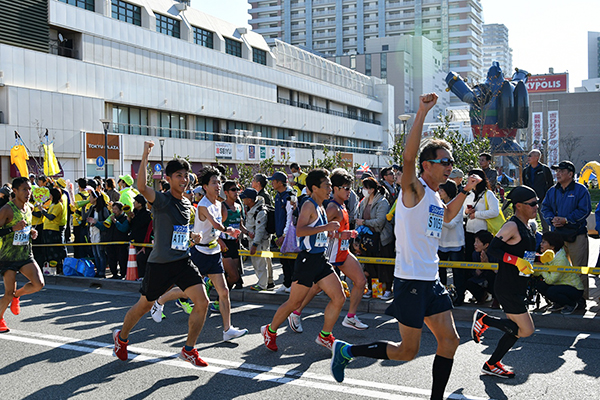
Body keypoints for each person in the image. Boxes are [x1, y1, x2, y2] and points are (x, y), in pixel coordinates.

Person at [330, 94, 481, 400]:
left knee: (449, 342)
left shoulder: (436, 196)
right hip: (411, 279)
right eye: (445, 162)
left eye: (452, 162)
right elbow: (408, 158)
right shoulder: (413, 189)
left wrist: (465, 191)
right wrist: (422, 113)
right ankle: (346, 351)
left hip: (431, 280)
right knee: (407, 351)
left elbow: (449, 215)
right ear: (428, 165)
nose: (451, 166)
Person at [113, 141, 213, 367]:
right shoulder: (161, 199)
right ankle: (121, 338)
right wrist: (145, 154)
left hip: (182, 261)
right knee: (144, 306)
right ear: (168, 178)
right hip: (160, 264)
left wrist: (191, 238)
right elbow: (141, 186)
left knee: (203, 301)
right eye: (178, 175)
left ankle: (189, 349)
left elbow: (178, 232)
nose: (184, 179)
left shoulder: (187, 203)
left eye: (186, 175)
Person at [261, 168, 346, 352]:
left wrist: (327, 231)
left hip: (320, 259)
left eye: (330, 185)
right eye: (326, 186)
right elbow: (300, 231)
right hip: (307, 260)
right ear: (314, 187)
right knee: (294, 303)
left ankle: (325, 336)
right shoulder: (309, 205)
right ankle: (270, 330)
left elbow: (316, 230)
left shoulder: (322, 205)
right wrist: (325, 226)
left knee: (339, 297)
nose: (330, 188)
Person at [471, 186, 541, 378]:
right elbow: (493, 250)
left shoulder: (528, 226)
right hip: (507, 286)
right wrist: (516, 261)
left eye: (537, 202)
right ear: (519, 206)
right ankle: (484, 319)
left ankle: (492, 364)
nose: (536, 206)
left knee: (514, 330)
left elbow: (523, 254)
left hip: (519, 285)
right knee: (526, 330)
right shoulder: (512, 226)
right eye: (532, 203)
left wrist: (541, 257)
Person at [288, 168, 368, 333]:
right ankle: (296, 312)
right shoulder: (331, 207)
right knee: (316, 288)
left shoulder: (342, 205)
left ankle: (350, 317)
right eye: (345, 188)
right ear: (336, 188)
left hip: (343, 252)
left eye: (350, 187)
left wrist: (347, 235)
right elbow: (321, 231)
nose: (349, 191)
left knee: (360, 281)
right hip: (329, 253)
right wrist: (340, 234)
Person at [174, 166, 247, 341]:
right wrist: (229, 230)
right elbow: (216, 225)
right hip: (199, 252)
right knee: (186, 290)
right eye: (214, 182)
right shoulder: (203, 205)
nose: (217, 185)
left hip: (213, 252)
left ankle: (227, 329)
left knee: (223, 291)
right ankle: (160, 301)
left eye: (219, 182)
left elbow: (218, 224)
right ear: (205, 186)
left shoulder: (219, 203)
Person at [541, 160, 592, 298]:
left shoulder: (581, 190)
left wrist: (566, 219)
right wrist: (552, 219)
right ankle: (562, 299)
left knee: (579, 270)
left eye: (561, 171)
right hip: (558, 237)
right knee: (558, 269)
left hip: (577, 235)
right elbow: (545, 208)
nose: (558, 174)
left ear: (570, 174)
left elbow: (585, 210)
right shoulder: (552, 191)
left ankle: (581, 300)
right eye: (557, 171)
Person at [0, 177, 45, 333]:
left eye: (29, 189)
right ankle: (0, 319)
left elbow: (25, 228)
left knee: (39, 284)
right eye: (24, 189)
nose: (28, 193)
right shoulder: (7, 209)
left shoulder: (29, 208)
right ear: (15, 191)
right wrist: (13, 229)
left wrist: (31, 232)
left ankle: (17, 296)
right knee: (7, 294)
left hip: (26, 254)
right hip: (8, 257)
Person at [357, 177, 393, 300]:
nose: (363, 190)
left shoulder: (382, 202)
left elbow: (380, 222)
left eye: (366, 188)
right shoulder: (363, 202)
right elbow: (359, 218)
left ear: (372, 189)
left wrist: (364, 222)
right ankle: (372, 289)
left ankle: (387, 289)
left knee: (384, 265)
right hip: (368, 238)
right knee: (369, 265)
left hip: (382, 239)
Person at [533, 231, 584, 314]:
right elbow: (539, 273)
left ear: (552, 246)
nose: (540, 244)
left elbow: (551, 280)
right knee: (539, 285)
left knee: (551, 291)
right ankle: (559, 303)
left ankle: (572, 304)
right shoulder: (547, 255)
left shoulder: (560, 260)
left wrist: (541, 268)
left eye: (543, 242)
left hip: (574, 288)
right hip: (560, 285)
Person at [269, 171, 295, 293]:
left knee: (291, 260)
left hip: (288, 234)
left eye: (274, 181)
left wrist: (284, 235)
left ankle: (292, 284)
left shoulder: (290, 195)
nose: (272, 183)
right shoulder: (278, 195)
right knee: (283, 260)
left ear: (280, 183)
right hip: (280, 233)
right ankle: (286, 283)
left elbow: (290, 217)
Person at [437, 180, 465, 287]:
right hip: (441, 243)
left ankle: (459, 295)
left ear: (448, 191)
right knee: (440, 272)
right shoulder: (438, 204)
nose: (439, 192)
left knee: (458, 273)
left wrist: (438, 218)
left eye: (442, 190)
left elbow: (451, 224)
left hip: (455, 243)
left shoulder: (457, 205)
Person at [250, 173, 274, 288]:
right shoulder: (261, 194)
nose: (252, 182)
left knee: (265, 257)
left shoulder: (263, 197)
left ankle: (268, 280)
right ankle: (268, 280)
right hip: (264, 232)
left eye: (254, 180)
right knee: (265, 256)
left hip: (264, 232)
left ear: (258, 183)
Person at [522, 149, 554, 232]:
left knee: (545, 221)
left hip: (543, 200)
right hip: (530, 200)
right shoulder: (526, 171)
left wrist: (548, 198)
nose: (528, 158)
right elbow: (525, 186)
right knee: (529, 221)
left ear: (537, 157)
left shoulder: (544, 169)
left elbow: (550, 185)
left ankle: (547, 239)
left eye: (530, 156)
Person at [219, 181, 243, 289]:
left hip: (235, 243)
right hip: (224, 243)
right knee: (233, 276)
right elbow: (214, 227)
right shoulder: (222, 206)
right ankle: (219, 299)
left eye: (237, 189)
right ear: (226, 192)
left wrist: (249, 233)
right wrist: (219, 241)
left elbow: (240, 225)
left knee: (234, 277)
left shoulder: (238, 206)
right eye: (233, 190)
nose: (236, 192)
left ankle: (220, 301)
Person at [38, 188, 67, 274]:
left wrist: (42, 211)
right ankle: (49, 268)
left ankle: (57, 268)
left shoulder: (59, 205)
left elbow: (51, 217)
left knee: (54, 250)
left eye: (50, 194)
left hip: (53, 230)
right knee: (47, 250)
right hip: (46, 229)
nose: (49, 196)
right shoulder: (52, 204)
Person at [466, 230, 497, 305]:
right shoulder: (475, 254)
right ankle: (482, 296)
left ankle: (496, 299)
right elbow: (476, 273)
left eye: (477, 242)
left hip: (494, 280)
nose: (475, 244)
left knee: (492, 276)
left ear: (486, 245)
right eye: (475, 242)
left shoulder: (495, 253)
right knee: (468, 281)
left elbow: (497, 272)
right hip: (481, 279)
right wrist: (481, 266)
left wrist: (487, 263)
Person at [83, 190, 110, 278]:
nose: (89, 198)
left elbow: (107, 223)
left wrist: (96, 222)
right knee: (95, 254)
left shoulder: (103, 209)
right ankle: (98, 271)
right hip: (92, 234)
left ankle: (102, 272)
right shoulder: (91, 208)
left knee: (100, 254)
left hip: (100, 235)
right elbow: (84, 217)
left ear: (95, 198)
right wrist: (83, 208)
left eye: (91, 196)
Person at [127, 194, 152, 279]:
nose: (134, 203)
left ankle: (143, 276)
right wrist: (130, 220)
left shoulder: (147, 214)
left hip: (144, 240)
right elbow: (133, 226)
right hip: (135, 239)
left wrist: (134, 218)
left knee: (142, 258)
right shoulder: (135, 212)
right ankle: (135, 275)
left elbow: (141, 225)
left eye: (135, 202)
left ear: (140, 204)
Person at [71, 178, 92, 259]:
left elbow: (73, 208)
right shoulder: (90, 196)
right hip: (87, 222)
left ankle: (78, 261)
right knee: (86, 243)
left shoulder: (76, 197)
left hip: (77, 222)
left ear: (79, 186)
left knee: (78, 244)